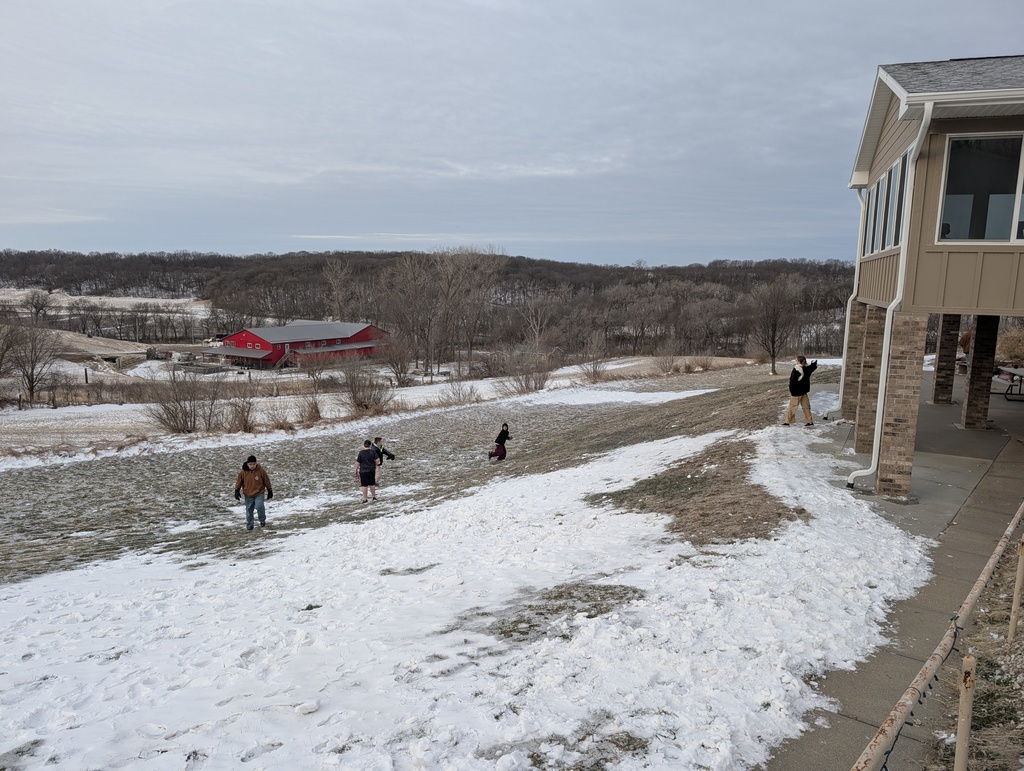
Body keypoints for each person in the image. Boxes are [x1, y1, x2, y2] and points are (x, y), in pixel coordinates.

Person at [234, 455, 273, 530]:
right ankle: (250, 525)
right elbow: (239, 482)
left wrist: (269, 490)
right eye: (250, 464)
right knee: (249, 510)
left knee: (259, 506)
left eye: (254, 464)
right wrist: (237, 490)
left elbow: (266, 480)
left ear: (256, 463)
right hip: (248, 494)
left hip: (259, 493)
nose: (252, 466)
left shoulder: (261, 471)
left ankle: (262, 520)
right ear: (247, 464)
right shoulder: (243, 472)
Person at [784, 355, 817, 427]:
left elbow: (792, 381)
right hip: (804, 392)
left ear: (799, 361)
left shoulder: (796, 369)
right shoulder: (806, 369)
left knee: (792, 407)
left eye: (797, 360)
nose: (796, 362)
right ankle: (809, 421)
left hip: (796, 393)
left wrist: (791, 390)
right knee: (806, 407)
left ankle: (788, 421)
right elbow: (812, 367)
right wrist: (813, 364)